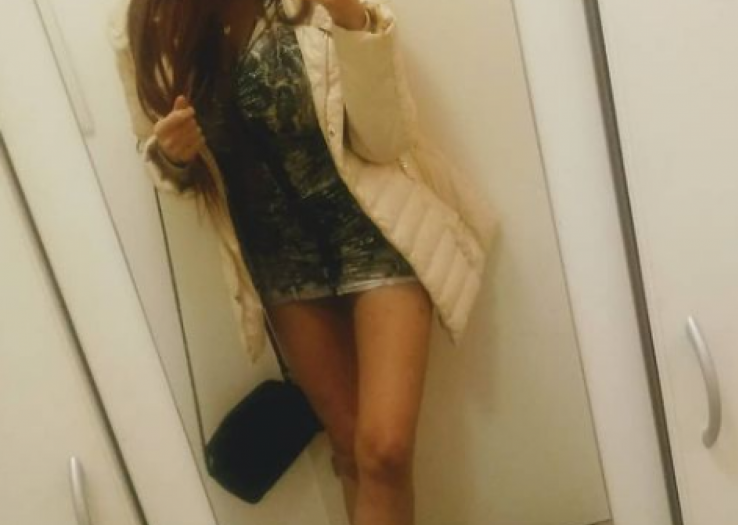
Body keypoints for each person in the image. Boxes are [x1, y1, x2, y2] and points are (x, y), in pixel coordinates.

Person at [108, 0, 499, 523]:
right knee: (349, 449)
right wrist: (174, 158)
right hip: (281, 267)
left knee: (384, 451)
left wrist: (355, 24)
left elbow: (387, 139)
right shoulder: (145, 25)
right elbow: (155, 151)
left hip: (376, 231)